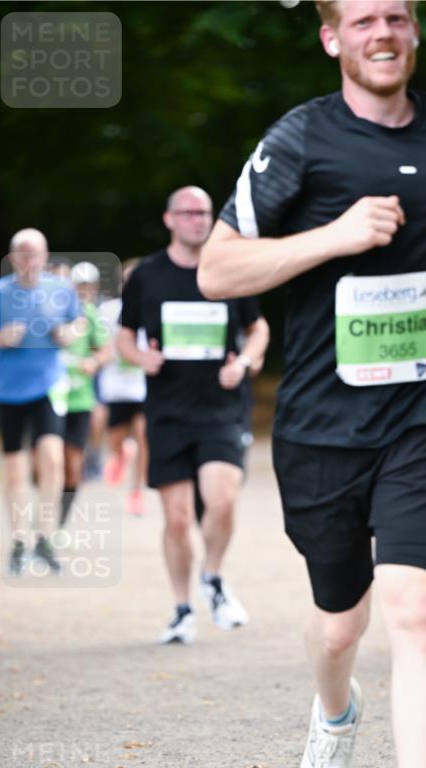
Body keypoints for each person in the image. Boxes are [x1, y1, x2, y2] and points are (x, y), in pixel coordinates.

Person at [198, 0, 426, 768]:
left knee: (414, 609)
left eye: (397, 17)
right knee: (339, 627)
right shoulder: (299, 139)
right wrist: (331, 237)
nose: (383, 33)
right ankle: (334, 716)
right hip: (322, 425)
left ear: (414, 31)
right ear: (332, 37)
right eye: (364, 20)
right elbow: (217, 269)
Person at [117, 186, 270, 643]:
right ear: (169, 219)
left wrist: (244, 363)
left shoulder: (227, 269)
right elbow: (123, 337)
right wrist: (141, 358)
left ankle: (214, 577)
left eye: (204, 212)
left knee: (221, 500)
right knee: (178, 518)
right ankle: (182, 608)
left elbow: (258, 328)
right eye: (188, 212)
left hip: (221, 408)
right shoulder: (147, 275)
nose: (198, 219)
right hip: (167, 411)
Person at [0, 228, 83, 574]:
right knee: (15, 471)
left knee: (53, 458)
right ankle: (20, 543)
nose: (29, 259)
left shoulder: (61, 290)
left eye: (35, 252)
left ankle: (45, 538)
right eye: (22, 252)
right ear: (12, 257)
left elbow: (78, 323)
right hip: (9, 392)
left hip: (48, 387)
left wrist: (68, 334)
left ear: (45, 255)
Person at [60, 262, 111, 525]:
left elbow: (105, 350)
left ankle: (60, 521)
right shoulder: (52, 311)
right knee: (46, 462)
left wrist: (93, 362)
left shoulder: (92, 315)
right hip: (49, 397)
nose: (83, 291)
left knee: (72, 464)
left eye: (88, 286)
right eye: (80, 285)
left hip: (80, 397)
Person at [98, 258, 148, 517]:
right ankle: (121, 453)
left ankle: (136, 492)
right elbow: (98, 344)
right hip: (115, 386)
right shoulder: (107, 311)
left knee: (143, 437)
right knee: (116, 439)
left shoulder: (152, 307)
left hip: (143, 385)